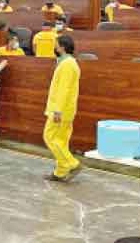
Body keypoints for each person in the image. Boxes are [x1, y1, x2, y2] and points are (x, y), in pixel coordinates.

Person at [43, 35, 82, 182]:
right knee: (61, 141)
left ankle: (72, 164)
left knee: (50, 137)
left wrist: (57, 110)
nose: (55, 47)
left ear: (62, 47)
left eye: (56, 45)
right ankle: (60, 172)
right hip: (65, 109)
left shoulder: (67, 65)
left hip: (60, 111)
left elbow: (63, 90)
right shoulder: (67, 63)